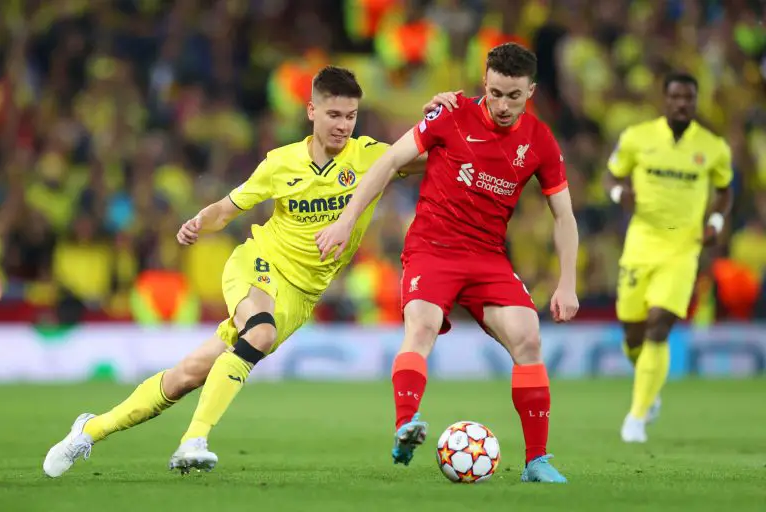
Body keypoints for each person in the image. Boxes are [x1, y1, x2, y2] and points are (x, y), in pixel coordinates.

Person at [42, 66, 458, 478]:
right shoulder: (280, 163)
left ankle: (90, 429)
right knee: (259, 331)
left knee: (187, 376)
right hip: (258, 264)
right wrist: (198, 223)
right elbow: (227, 209)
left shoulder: (370, 156)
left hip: (301, 295)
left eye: (350, 116)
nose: (343, 126)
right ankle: (194, 441)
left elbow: (439, 154)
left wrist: (445, 118)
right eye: (334, 115)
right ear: (311, 111)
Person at [316, 43, 579, 484]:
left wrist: (567, 282)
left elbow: (564, 214)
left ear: (530, 91)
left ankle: (537, 461)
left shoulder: (540, 141)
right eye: (495, 93)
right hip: (432, 249)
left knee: (529, 339)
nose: (502, 105)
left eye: (514, 96)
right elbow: (389, 162)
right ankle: (406, 425)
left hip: (488, 258)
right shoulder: (450, 115)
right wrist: (345, 222)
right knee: (420, 325)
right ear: (484, 84)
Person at [604, 72, 733, 443]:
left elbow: (724, 191)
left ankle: (636, 417)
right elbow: (611, 177)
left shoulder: (713, 147)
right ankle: (649, 386)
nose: (682, 104)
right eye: (676, 97)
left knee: (659, 324)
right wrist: (618, 197)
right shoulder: (636, 138)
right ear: (665, 99)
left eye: (689, 98)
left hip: (683, 248)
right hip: (641, 244)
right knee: (633, 332)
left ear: (695, 101)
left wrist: (716, 221)